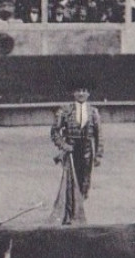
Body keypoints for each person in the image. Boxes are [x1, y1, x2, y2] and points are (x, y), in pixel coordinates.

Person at [51, 81, 103, 224]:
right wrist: (64, 145)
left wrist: (98, 154)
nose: (81, 93)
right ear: (73, 93)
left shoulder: (93, 111)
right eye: (78, 90)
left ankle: (79, 211)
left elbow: (99, 135)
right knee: (70, 182)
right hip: (71, 150)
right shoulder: (65, 110)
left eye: (84, 90)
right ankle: (69, 214)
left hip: (87, 150)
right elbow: (54, 132)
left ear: (88, 93)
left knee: (84, 181)